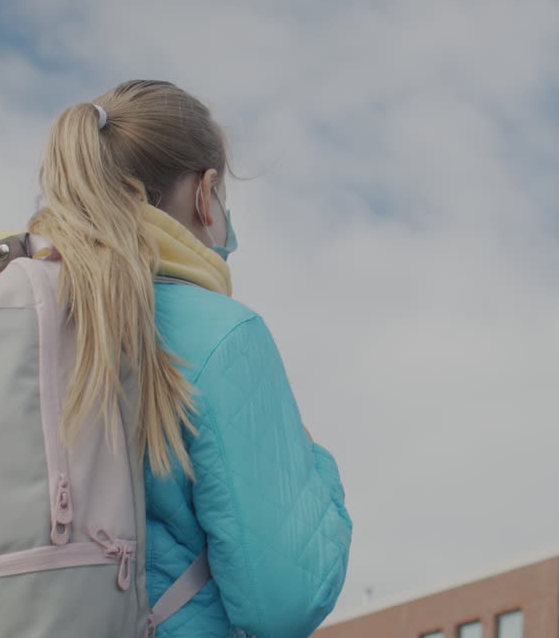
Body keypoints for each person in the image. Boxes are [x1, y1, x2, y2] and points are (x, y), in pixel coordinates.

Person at [26, 79, 352, 637]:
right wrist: (315, 464)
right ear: (205, 194)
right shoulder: (222, 335)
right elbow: (284, 600)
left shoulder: (14, 310)